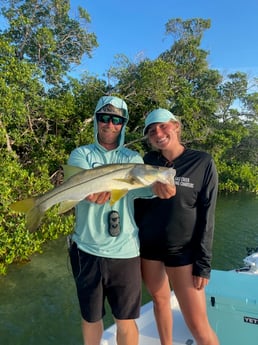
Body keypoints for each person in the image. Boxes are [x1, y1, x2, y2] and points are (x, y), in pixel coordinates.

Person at [67, 97, 175, 345]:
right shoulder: (80, 154)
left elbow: (142, 188)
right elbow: (82, 188)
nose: (110, 124)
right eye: (104, 118)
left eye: (117, 120)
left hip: (125, 251)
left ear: (123, 124)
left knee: (126, 320)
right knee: (91, 318)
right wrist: (91, 193)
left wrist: (159, 187)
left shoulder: (133, 159)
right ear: (96, 120)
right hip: (86, 249)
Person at [135, 108, 220, 345]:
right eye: (152, 131)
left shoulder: (202, 161)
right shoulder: (146, 162)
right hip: (149, 248)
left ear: (176, 126)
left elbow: (207, 214)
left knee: (198, 326)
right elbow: (136, 203)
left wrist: (203, 263)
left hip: (183, 251)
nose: (158, 133)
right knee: (160, 301)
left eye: (163, 126)